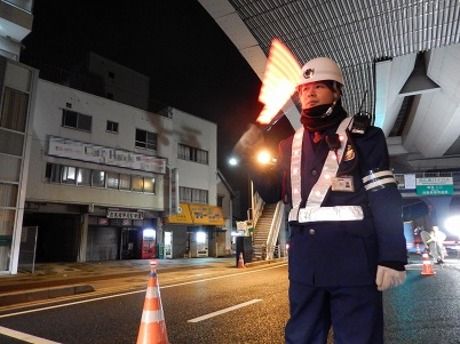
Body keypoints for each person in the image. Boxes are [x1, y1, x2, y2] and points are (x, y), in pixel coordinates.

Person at [238, 57, 407, 343]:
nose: (309, 93)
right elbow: (270, 194)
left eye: (318, 87)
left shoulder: (365, 136)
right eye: (304, 89)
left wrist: (392, 256)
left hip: (354, 265)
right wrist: (252, 155)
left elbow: (384, 196)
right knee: (301, 339)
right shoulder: (288, 144)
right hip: (306, 268)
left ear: (337, 91)